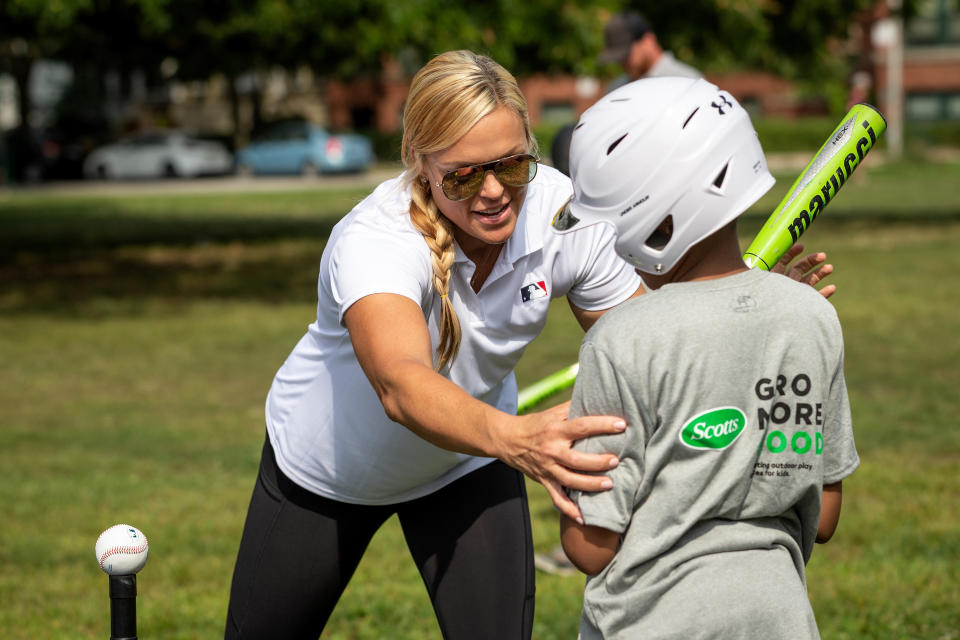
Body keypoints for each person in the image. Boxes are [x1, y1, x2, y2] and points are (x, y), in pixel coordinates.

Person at [224, 50, 834, 639]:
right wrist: (518, 440)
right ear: (419, 162)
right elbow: (400, 384)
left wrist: (738, 308)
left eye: (513, 166)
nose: (493, 191)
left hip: (469, 460)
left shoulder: (566, 212)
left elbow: (653, 342)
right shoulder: (374, 241)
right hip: (331, 470)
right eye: (463, 176)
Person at [552, 77, 860, 639]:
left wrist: (561, 483)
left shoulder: (620, 339)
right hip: (781, 618)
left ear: (658, 222)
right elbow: (826, 518)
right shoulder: (813, 316)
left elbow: (591, 547)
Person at [551, 11, 700, 175]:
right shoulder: (617, 88)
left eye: (626, 54)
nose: (622, 62)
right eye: (618, 57)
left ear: (648, 40)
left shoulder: (687, 81)